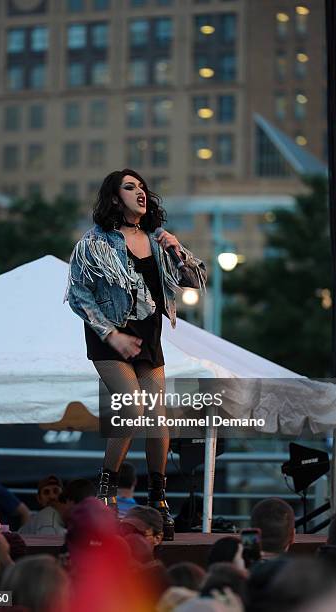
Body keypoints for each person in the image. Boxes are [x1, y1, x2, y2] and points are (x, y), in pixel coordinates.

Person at [65, 168, 206, 540]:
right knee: (131, 409)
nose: (140, 192)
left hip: (147, 338)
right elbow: (77, 296)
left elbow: (194, 281)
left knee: (159, 419)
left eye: (142, 186)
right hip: (110, 338)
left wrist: (177, 250)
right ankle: (106, 491)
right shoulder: (94, 242)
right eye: (130, 187)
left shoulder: (158, 240)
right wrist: (111, 334)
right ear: (114, 197)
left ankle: (157, 498)